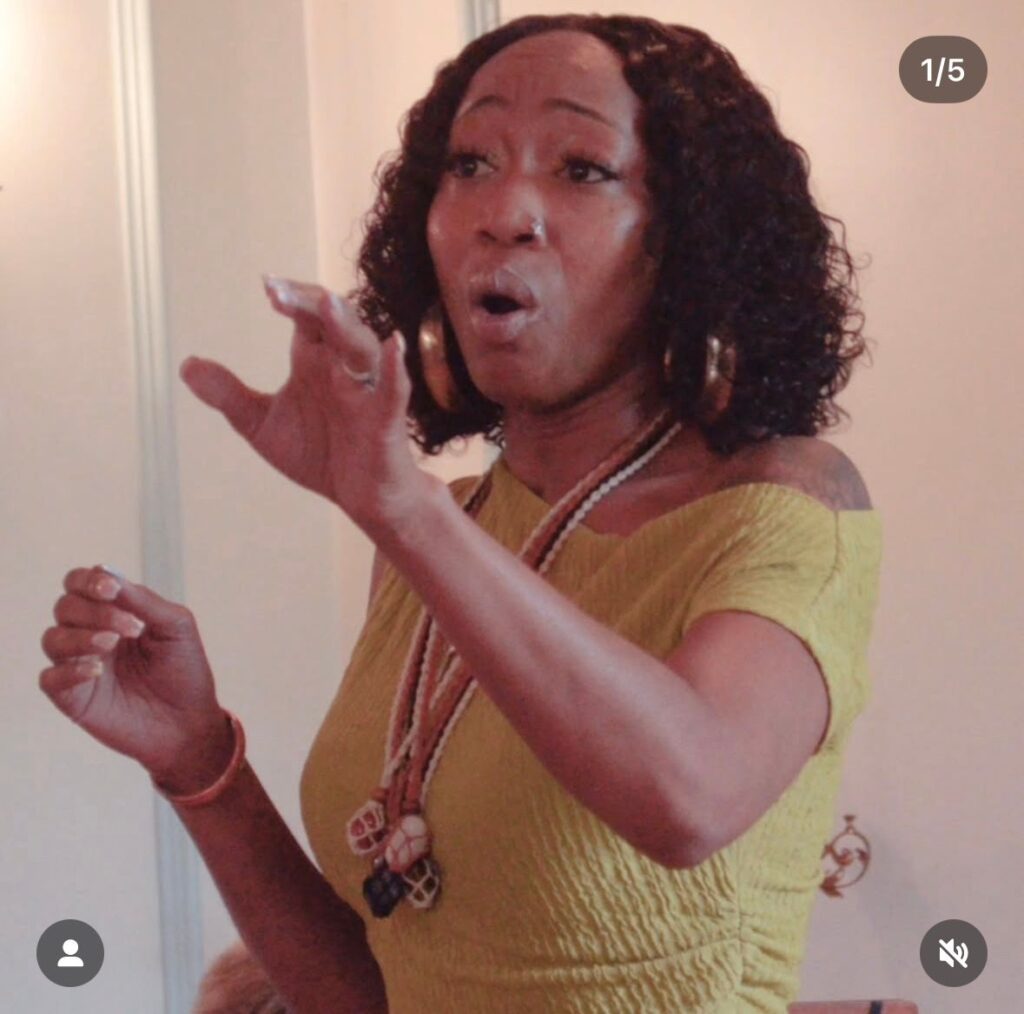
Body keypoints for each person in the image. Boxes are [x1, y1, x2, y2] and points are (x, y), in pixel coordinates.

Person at [38, 13, 883, 1013]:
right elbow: (370, 996)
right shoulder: (435, 538)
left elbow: (689, 799)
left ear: (689, 243)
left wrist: (402, 510)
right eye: (471, 163)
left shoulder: (787, 502)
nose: (505, 211)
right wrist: (199, 761)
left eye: (582, 169)